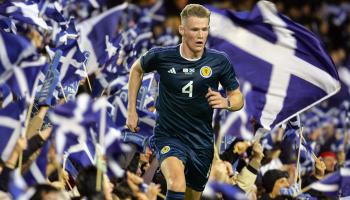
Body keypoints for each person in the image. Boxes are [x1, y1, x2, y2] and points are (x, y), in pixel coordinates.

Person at [126, 4, 244, 200]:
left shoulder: (219, 61)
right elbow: (136, 70)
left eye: (204, 29)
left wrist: (226, 102)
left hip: (201, 143)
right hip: (169, 136)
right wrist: (132, 110)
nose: (200, 35)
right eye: (195, 29)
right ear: (182, 30)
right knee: (176, 182)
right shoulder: (162, 56)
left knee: (191, 196)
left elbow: (238, 97)